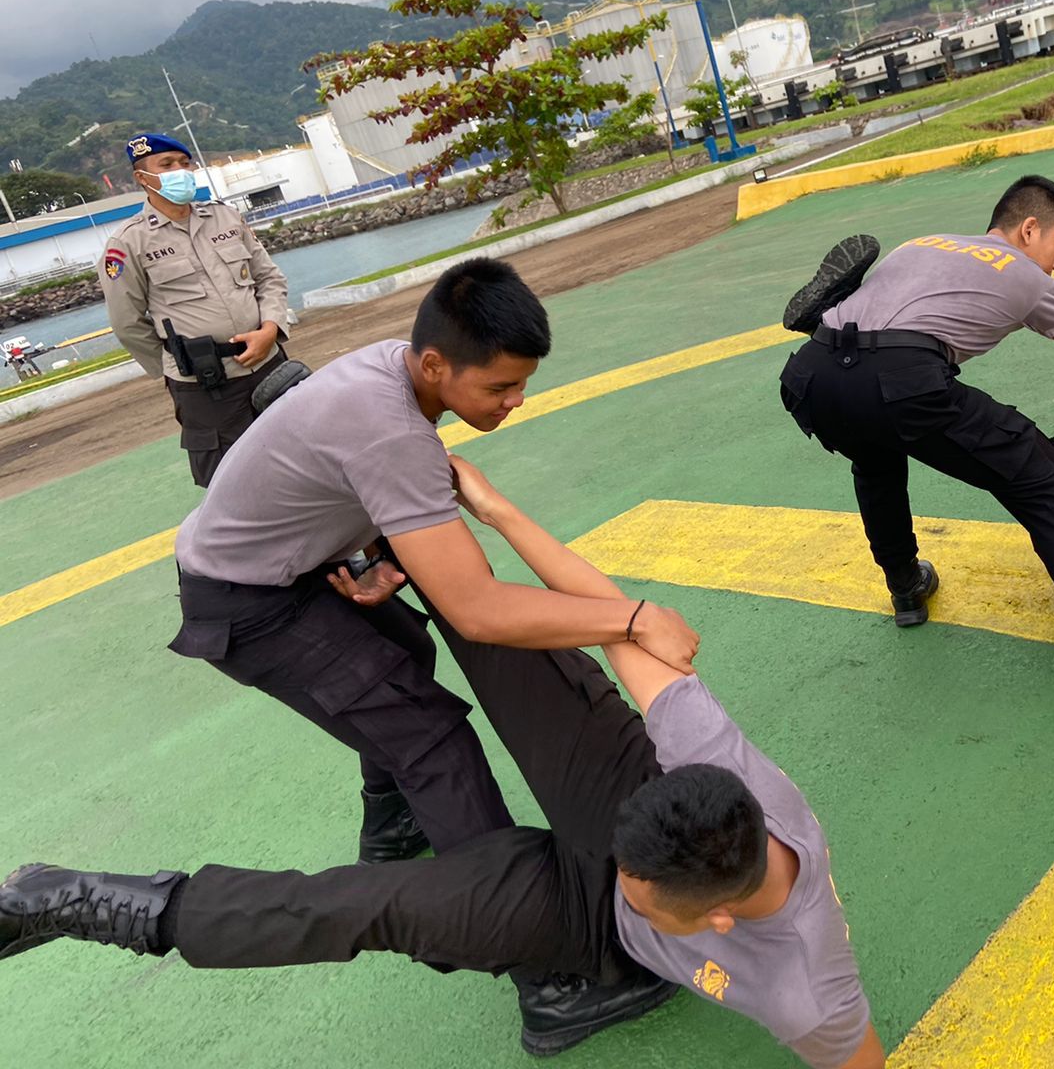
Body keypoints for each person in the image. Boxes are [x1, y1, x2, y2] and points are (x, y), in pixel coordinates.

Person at [0, 458, 883, 1068]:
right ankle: (399, 539)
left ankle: (77, 900)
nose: (626, 874)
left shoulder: (810, 995)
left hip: (586, 925)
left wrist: (620, 897)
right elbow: (616, 615)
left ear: (712, 923)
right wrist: (493, 512)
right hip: (632, 802)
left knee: (361, 907)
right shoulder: (721, 779)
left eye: (643, 888)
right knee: (520, 642)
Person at [165, 257, 701, 1042]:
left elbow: (324, 482)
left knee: (401, 649)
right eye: (498, 389)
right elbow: (478, 610)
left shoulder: (396, 373)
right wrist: (631, 619)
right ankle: (547, 977)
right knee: (432, 741)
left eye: (521, 385)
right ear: (436, 363)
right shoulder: (389, 426)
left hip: (287, 564)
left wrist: (354, 554)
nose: (514, 403)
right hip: (248, 605)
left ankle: (391, 829)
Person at [779, 177, 1054, 707]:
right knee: (1044, 485)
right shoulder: (1026, 276)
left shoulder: (922, 243)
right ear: (1028, 228)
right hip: (903, 377)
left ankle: (906, 588)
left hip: (812, 377)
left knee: (875, 458)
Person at [100, 133, 290, 486]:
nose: (180, 171)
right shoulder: (128, 242)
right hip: (206, 385)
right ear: (143, 179)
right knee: (234, 485)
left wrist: (271, 331)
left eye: (184, 163)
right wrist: (177, 366)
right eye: (167, 165)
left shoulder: (226, 217)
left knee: (308, 457)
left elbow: (269, 278)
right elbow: (126, 322)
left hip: (270, 364)